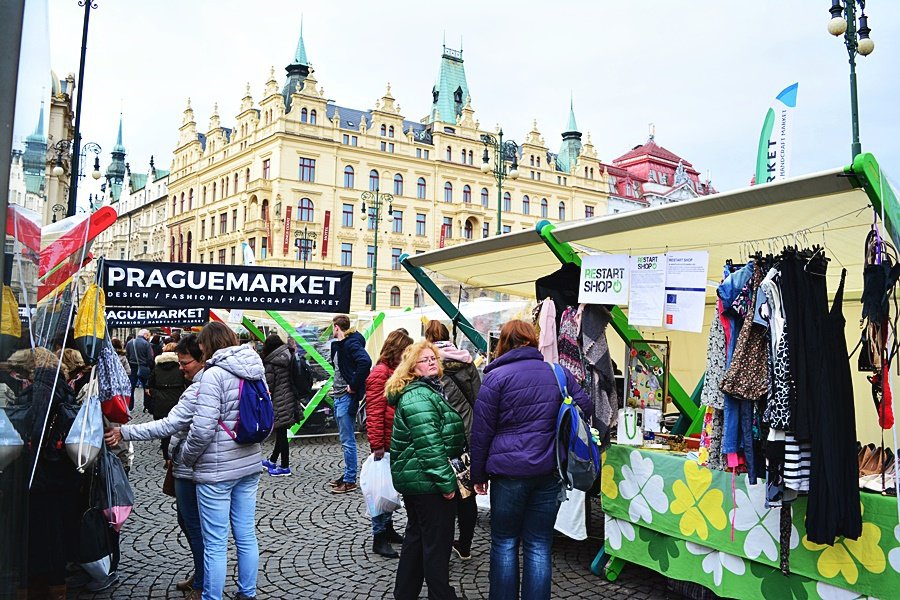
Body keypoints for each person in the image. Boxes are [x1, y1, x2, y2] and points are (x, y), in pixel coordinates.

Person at [470, 320, 592, 600]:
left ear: (503, 343)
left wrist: (478, 476)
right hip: (549, 470)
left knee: (504, 542)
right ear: (533, 341)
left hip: (508, 472)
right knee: (539, 544)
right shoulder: (557, 373)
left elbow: (481, 431)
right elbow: (585, 407)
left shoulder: (496, 378)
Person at [105, 334, 206, 599]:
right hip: (187, 464)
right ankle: (202, 573)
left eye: (186, 363)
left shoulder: (200, 389)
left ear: (202, 358)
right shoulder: (197, 384)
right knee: (188, 522)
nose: (182, 367)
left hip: (192, 467)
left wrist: (125, 432)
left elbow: (170, 426)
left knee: (195, 526)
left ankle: (204, 582)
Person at [180, 322, 265, 600]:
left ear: (209, 344)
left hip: (217, 470)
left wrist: (188, 458)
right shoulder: (255, 368)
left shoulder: (213, 374)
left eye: (201, 345)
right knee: (245, 534)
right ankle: (247, 593)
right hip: (249, 462)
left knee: (215, 543)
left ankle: (212, 597)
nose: (200, 350)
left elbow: (202, 429)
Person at [386, 340, 466, 600]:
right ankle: (441, 595)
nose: (432, 362)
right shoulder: (419, 396)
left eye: (434, 358)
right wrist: (446, 485)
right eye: (425, 360)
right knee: (436, 545)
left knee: (418, 539)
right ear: (412, 368)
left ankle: (405, 593)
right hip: (427, 483)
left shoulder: (426, 391)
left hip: (420, 481)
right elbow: (429, 446)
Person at [424, 320, 482, 560]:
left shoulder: (426, 364)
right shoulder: (466, 362)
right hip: (465, 435)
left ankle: (441, 548)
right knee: (467, 494)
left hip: (437, 435)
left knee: (441, 494)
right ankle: (465, 544)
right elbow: (479, 400)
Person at [365, 328, 414, 558]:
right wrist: (377, 445)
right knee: (379, 491)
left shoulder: (393, 372)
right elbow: (374, 412)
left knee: (390, 489)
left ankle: (389, 529)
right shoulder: (380, 373)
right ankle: (379, 537)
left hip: (393, 440)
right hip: (384, 443)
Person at [328, 315, 372, 494]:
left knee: (348, 441)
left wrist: (353, 385)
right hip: (339, 396)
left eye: (333, 327)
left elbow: (365, 362)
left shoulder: (351, 343)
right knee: (344, 439)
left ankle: (350, 479)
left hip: (346, 398)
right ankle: (347, 474)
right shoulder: (340, 344)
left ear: (337, 327)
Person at [261, 334, 297, 477]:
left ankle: (285, 466)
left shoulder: (271, 362)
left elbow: (269, 385)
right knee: (281, 430)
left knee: (281, 433)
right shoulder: (288, 355)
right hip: (289, 398)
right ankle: (272, 460)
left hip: (279, 400)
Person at [146, 341, 187, 462]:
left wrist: (155, 393)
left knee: (164, 430)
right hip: (177, 399)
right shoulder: (180, 367)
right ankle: (175, 454)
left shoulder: (157, 367)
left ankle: (166, 458)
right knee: (178, 428)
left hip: (160, 401)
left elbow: (149, 385)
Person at [125, 329, 154, 401]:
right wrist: (149, 366)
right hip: (144, 367)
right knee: (146, 388)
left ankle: (130, 405)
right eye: (148, 335)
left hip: (132, 367)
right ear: (145, 335)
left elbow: (127, 355)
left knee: (131, 388)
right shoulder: (146, 344)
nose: (148, 337)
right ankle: (146, 405)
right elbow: (150, 358)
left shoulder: (130, 342)